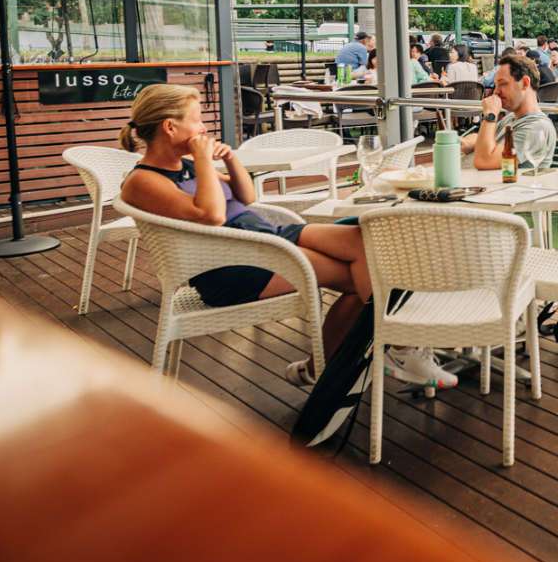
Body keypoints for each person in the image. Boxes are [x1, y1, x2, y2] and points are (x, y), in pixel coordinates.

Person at [117, 85, 455, 388]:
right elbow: (212, 214)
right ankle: (390, 350)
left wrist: (231, 161)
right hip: (233, 264)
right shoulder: (143, 181)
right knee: (364, 275)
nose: (204, 127)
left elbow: (247, 197)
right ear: (170, 127)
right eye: (196, 119)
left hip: (264, 236)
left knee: (363, 240)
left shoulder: (186, 165)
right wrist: (204, 160)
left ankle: (343, 362)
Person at [473, 53, 557, 173]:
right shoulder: (512, 118)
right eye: (496, 85)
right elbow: (486, 139)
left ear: (525, 83)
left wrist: (490, 116)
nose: (496, 92)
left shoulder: (537, 128)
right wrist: (464, 142)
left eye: (503, 84)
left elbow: (483, 160)